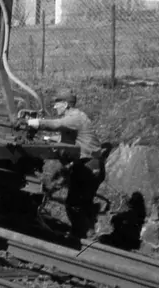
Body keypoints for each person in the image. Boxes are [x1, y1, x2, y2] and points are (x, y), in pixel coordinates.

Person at [25, 90, 106, 239]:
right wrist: (45, 138)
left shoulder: (75, 117)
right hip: (92, 165)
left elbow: (56, 125)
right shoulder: (75, 119)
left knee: (74, 204)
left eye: (57, 104)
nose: (55, 107)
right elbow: (64, 138)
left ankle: (86, 237)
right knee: (83, 204)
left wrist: (33, 123)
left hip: (87, 166)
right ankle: (85, 235)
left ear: (65, 104)